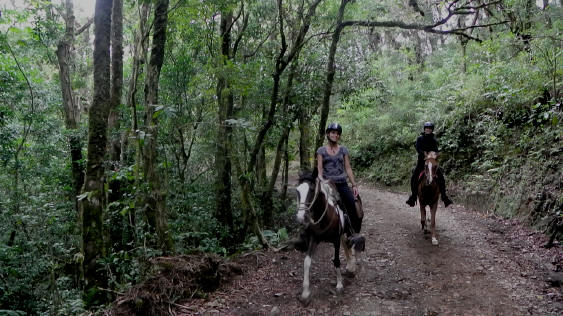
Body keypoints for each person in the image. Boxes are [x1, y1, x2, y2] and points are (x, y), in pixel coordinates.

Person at [316, 123, 361, 234]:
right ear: (328, 134)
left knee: (351, 203)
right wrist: (321, 183)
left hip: (342, 183)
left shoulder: (343, 150)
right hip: (327, 184)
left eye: (337, 133)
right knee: (315, 205)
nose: (335, 135)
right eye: (333, 133)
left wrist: (354, 185)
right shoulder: (321, 151)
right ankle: (314, 232)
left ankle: (353, 233)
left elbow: (348, 168)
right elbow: (320, 170)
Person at [405, 122, 453, 207]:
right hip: (421, 161)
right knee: (414, 177)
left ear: (432, 130)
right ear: (424, 129)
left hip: (431, 160)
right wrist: (423, 153)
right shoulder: (420, 138)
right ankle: (413, 197)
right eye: (427, 128)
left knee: (441, 176)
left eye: (430, 128)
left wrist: (435, 154)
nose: (428, 129)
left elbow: (435, 150)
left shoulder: (434, 140)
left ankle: (444, 197)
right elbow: (418, 148)